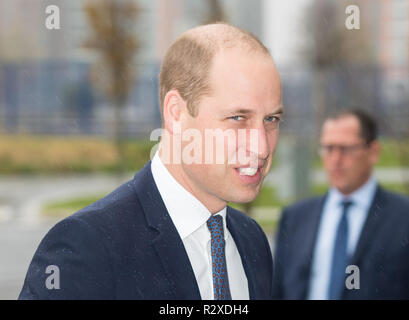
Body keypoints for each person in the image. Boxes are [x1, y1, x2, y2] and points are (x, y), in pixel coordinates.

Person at [19, 23, 283, 300]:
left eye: (271, 119)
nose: (262, 147)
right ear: (176, 113)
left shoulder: (251, 240)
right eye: (238, 118)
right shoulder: (86, 247)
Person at [272, 109, 409, 300]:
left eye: (346, 149)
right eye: (328, 148)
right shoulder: (295, 218)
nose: (335, 159)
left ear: (373, 152)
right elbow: (278, 291)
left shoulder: (403, 218)